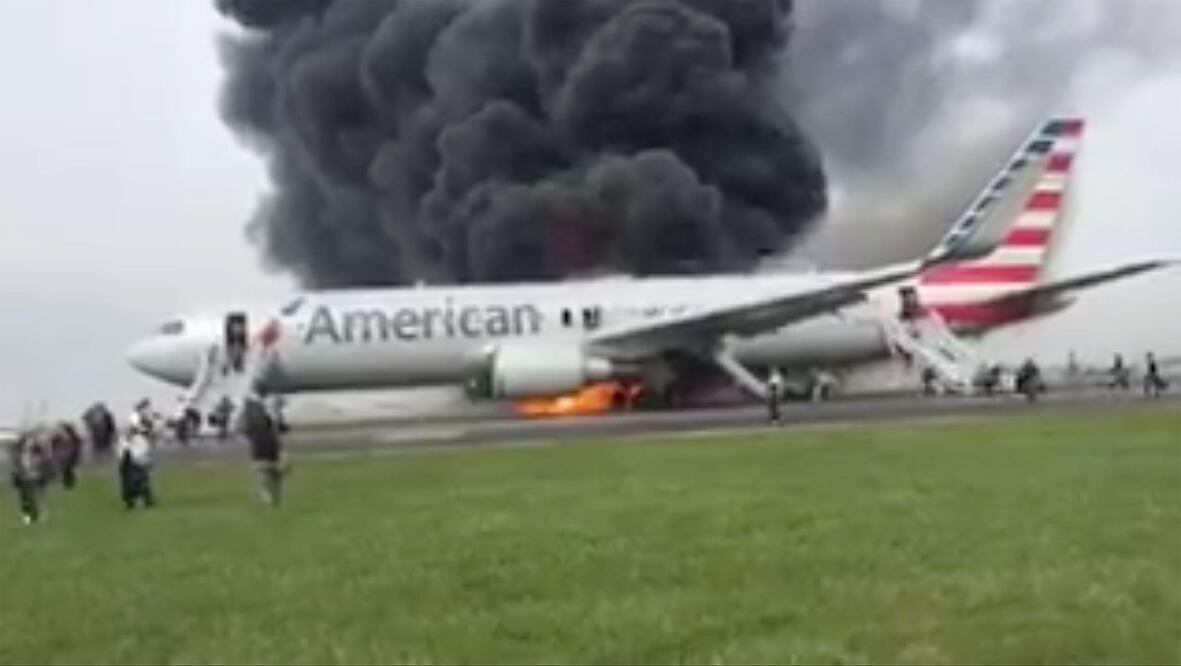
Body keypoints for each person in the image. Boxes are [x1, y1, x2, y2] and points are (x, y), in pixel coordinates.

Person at [239, 384, 288, 507]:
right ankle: (271, 501)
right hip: (266, 446)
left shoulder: (254, 408)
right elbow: (280, 427)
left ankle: (271, 500)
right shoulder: (258, 408)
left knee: (268, 475)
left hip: (264, 446)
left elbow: (245, 428)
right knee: (269, 475)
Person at [119, 400, 156, 510]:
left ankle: (145, 500)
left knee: (142, 476)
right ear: (141, 408)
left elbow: (149, 433)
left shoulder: (144, 420)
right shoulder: (134, 418)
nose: (149, 410)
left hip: (139, 450)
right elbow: (131, 432)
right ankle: (134, 501)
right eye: (147, 408)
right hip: (132, 451)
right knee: (134, 478)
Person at [8, 431, 51, 524]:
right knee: (24, 499)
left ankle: (36, 515)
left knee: (34, 498)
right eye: (28, 442)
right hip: (23, 478)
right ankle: (27, 517)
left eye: (30, 442)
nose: (29, 444)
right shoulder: (18, 454)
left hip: (34, 478)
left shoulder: (37, 453)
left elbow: (43, 462)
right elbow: (15, 466)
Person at [51, 422, 83, 490]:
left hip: (63, 444)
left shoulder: (62, 465)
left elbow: (54, 448)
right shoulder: (71, 463)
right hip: (65, 444)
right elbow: (77, 446)